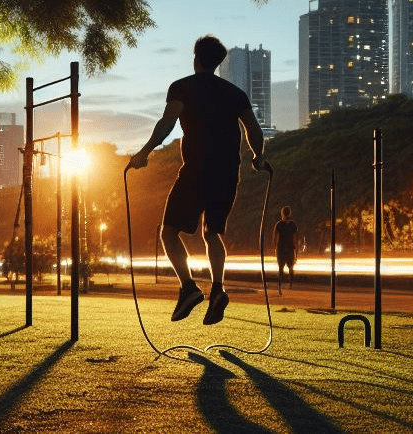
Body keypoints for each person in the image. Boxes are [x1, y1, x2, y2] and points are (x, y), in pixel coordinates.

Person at [128, 35, 267, 325]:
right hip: (229, 170)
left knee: (169, 232)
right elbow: (253, 130)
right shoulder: (235, 93)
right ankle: (218, 289)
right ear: (217, 62)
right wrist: (258, 157)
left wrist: (144, 153)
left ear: (196, 58)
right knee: (212, 232)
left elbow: (167, 123)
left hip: (197, 169)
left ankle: (189, 288)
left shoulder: (182, 87)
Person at [273, 206, 298, 291]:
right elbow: (295, 238)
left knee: (281, 268)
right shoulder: (293, 225)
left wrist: (275, 249)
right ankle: (290, 284)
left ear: (282, 213)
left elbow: (275, 238)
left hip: (281, 248)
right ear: (290, 214)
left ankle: (280, 286)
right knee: (290, 267)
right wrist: (296, 251)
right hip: (290, 248)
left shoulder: (278, 224)